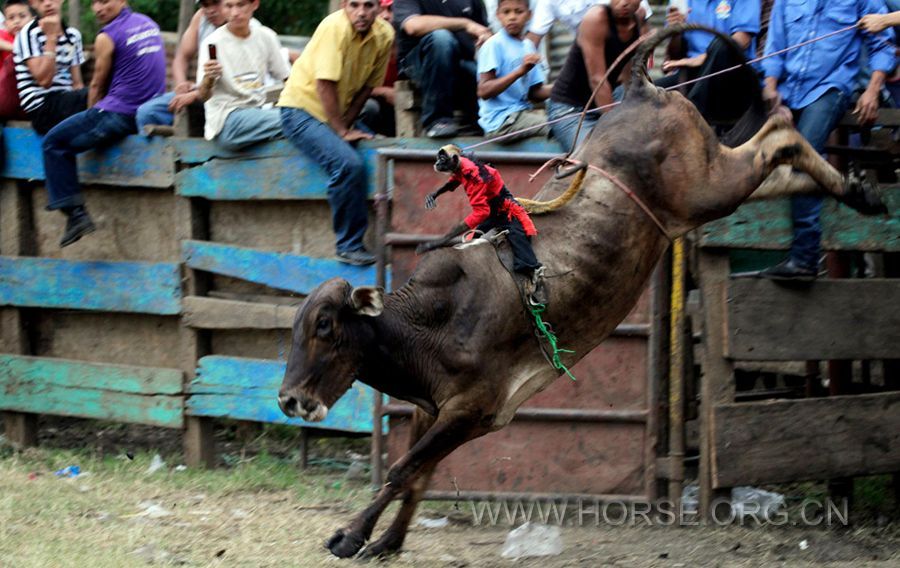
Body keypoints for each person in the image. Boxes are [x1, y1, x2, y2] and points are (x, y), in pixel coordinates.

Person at [756, 0, 895, 281]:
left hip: (830, 88)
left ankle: (805, 260)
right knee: (755, 154)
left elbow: (883, 46)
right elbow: (774, 47)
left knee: (803, 155)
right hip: (787, 89)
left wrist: (872, 90)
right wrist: (770, 90)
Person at [41, 0, 166, 247]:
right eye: (94, 2)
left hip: (119, 114)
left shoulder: (107, 35)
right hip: (147, 112)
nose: (98, 8)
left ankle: (75, 215)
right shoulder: (149, 24)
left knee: (52, 143)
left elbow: (97, 84)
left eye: (105, 1)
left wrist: (91, 116)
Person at [278, 0, 393, 266]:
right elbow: (324, 84)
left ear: (379, 8)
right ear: (344, 5)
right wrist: (341, 130)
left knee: (378, 149)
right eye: (354, 5)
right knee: (348, 164)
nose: (362, 12)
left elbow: (368, 87)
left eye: (369, 5)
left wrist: (348, 124)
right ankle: (348, 245)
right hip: (300, 111)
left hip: (336, 114)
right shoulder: (334, 28)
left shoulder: (385, 34)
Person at [547, 0, 647, 149]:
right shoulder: (596, 18)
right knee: (599, 155)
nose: (624, 3)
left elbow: (629, 68)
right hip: (570, 111)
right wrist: (616, 126)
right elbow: (597, 79)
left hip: (608, 100)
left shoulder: (639, 18)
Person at [195, 0, 290, 150]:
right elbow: (203, 96)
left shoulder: (266, 36)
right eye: (229, 6)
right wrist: (209, 78)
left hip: (257, 115)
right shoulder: (212, 42)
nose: (235, 13)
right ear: (222, 8)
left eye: (241, 5)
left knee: (302, 118)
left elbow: (288, 80)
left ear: (255, 4)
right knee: (295, 119)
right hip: (228, 120)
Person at [394, 0, 491, 138]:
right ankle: (437, 120)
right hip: (419, 63)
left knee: (481, 73)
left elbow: (483, 30)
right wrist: (465, 23)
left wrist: (485, 37)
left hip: (461, 62)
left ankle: (488, 124)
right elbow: (413, 26)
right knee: (441, 38)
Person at [656, 0, 761, 126]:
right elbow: (675, 54)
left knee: (722, 43)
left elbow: (743, 39)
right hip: (695, 72)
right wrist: (676, 32)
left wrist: (703, 58)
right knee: (653, 93)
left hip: (733, 72)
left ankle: (690, 118)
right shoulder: (683, 2)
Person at [135, 0, 227, 133]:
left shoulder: (241, 27)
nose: (211, 10)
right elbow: (181, 58)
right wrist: (182, 84)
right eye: (206, 5)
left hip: (226, 98)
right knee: (147, 112)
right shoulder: (201, 18)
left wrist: (196, 94)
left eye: (215, 3)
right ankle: (159, 153)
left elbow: (236, 84)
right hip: (201, 91)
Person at [476, 0, 550, 143]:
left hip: (521, 114)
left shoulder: (528, 46)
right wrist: (519, 71)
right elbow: (483, 91)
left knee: (567, 120)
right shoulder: (493, 44)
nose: (512, 17)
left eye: (518, 11)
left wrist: (565, 87)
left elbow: (534, 93)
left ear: (529, 15)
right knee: (558, 127)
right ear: (498, 15)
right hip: (501, 122)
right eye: (506, 12)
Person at [12, 0, 85, 134]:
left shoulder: (73, 36)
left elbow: (77, 83)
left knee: (100, 94)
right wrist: (51, 37)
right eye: (41, 0)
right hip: (41, 106)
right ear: (33, 3)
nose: (47, 3)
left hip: (66, 101)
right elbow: (44, 81)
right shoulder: (28, 34)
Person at [525, 0, 653, 46]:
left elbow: (642, 19)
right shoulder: (548, 2)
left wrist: (643, 61)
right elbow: (533, 39)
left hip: (625, 50)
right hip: (588, 52)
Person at [358, 0, 398, 136]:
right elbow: (349, 86)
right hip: (368, 103)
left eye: (391, 9)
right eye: (381, 10)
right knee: (369, 108)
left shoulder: (412, 44)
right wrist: (384, 92)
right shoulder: (361, 41)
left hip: (398, 108)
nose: (386, 16)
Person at [0, 0, 30, 120]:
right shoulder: (5, 36)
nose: (17, 21)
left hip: (27, 95)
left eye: (22, 16)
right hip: (5, 92)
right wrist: (17, 49)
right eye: (11, 18)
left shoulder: (33, 37)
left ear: (32, 19)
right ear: (5, 23)